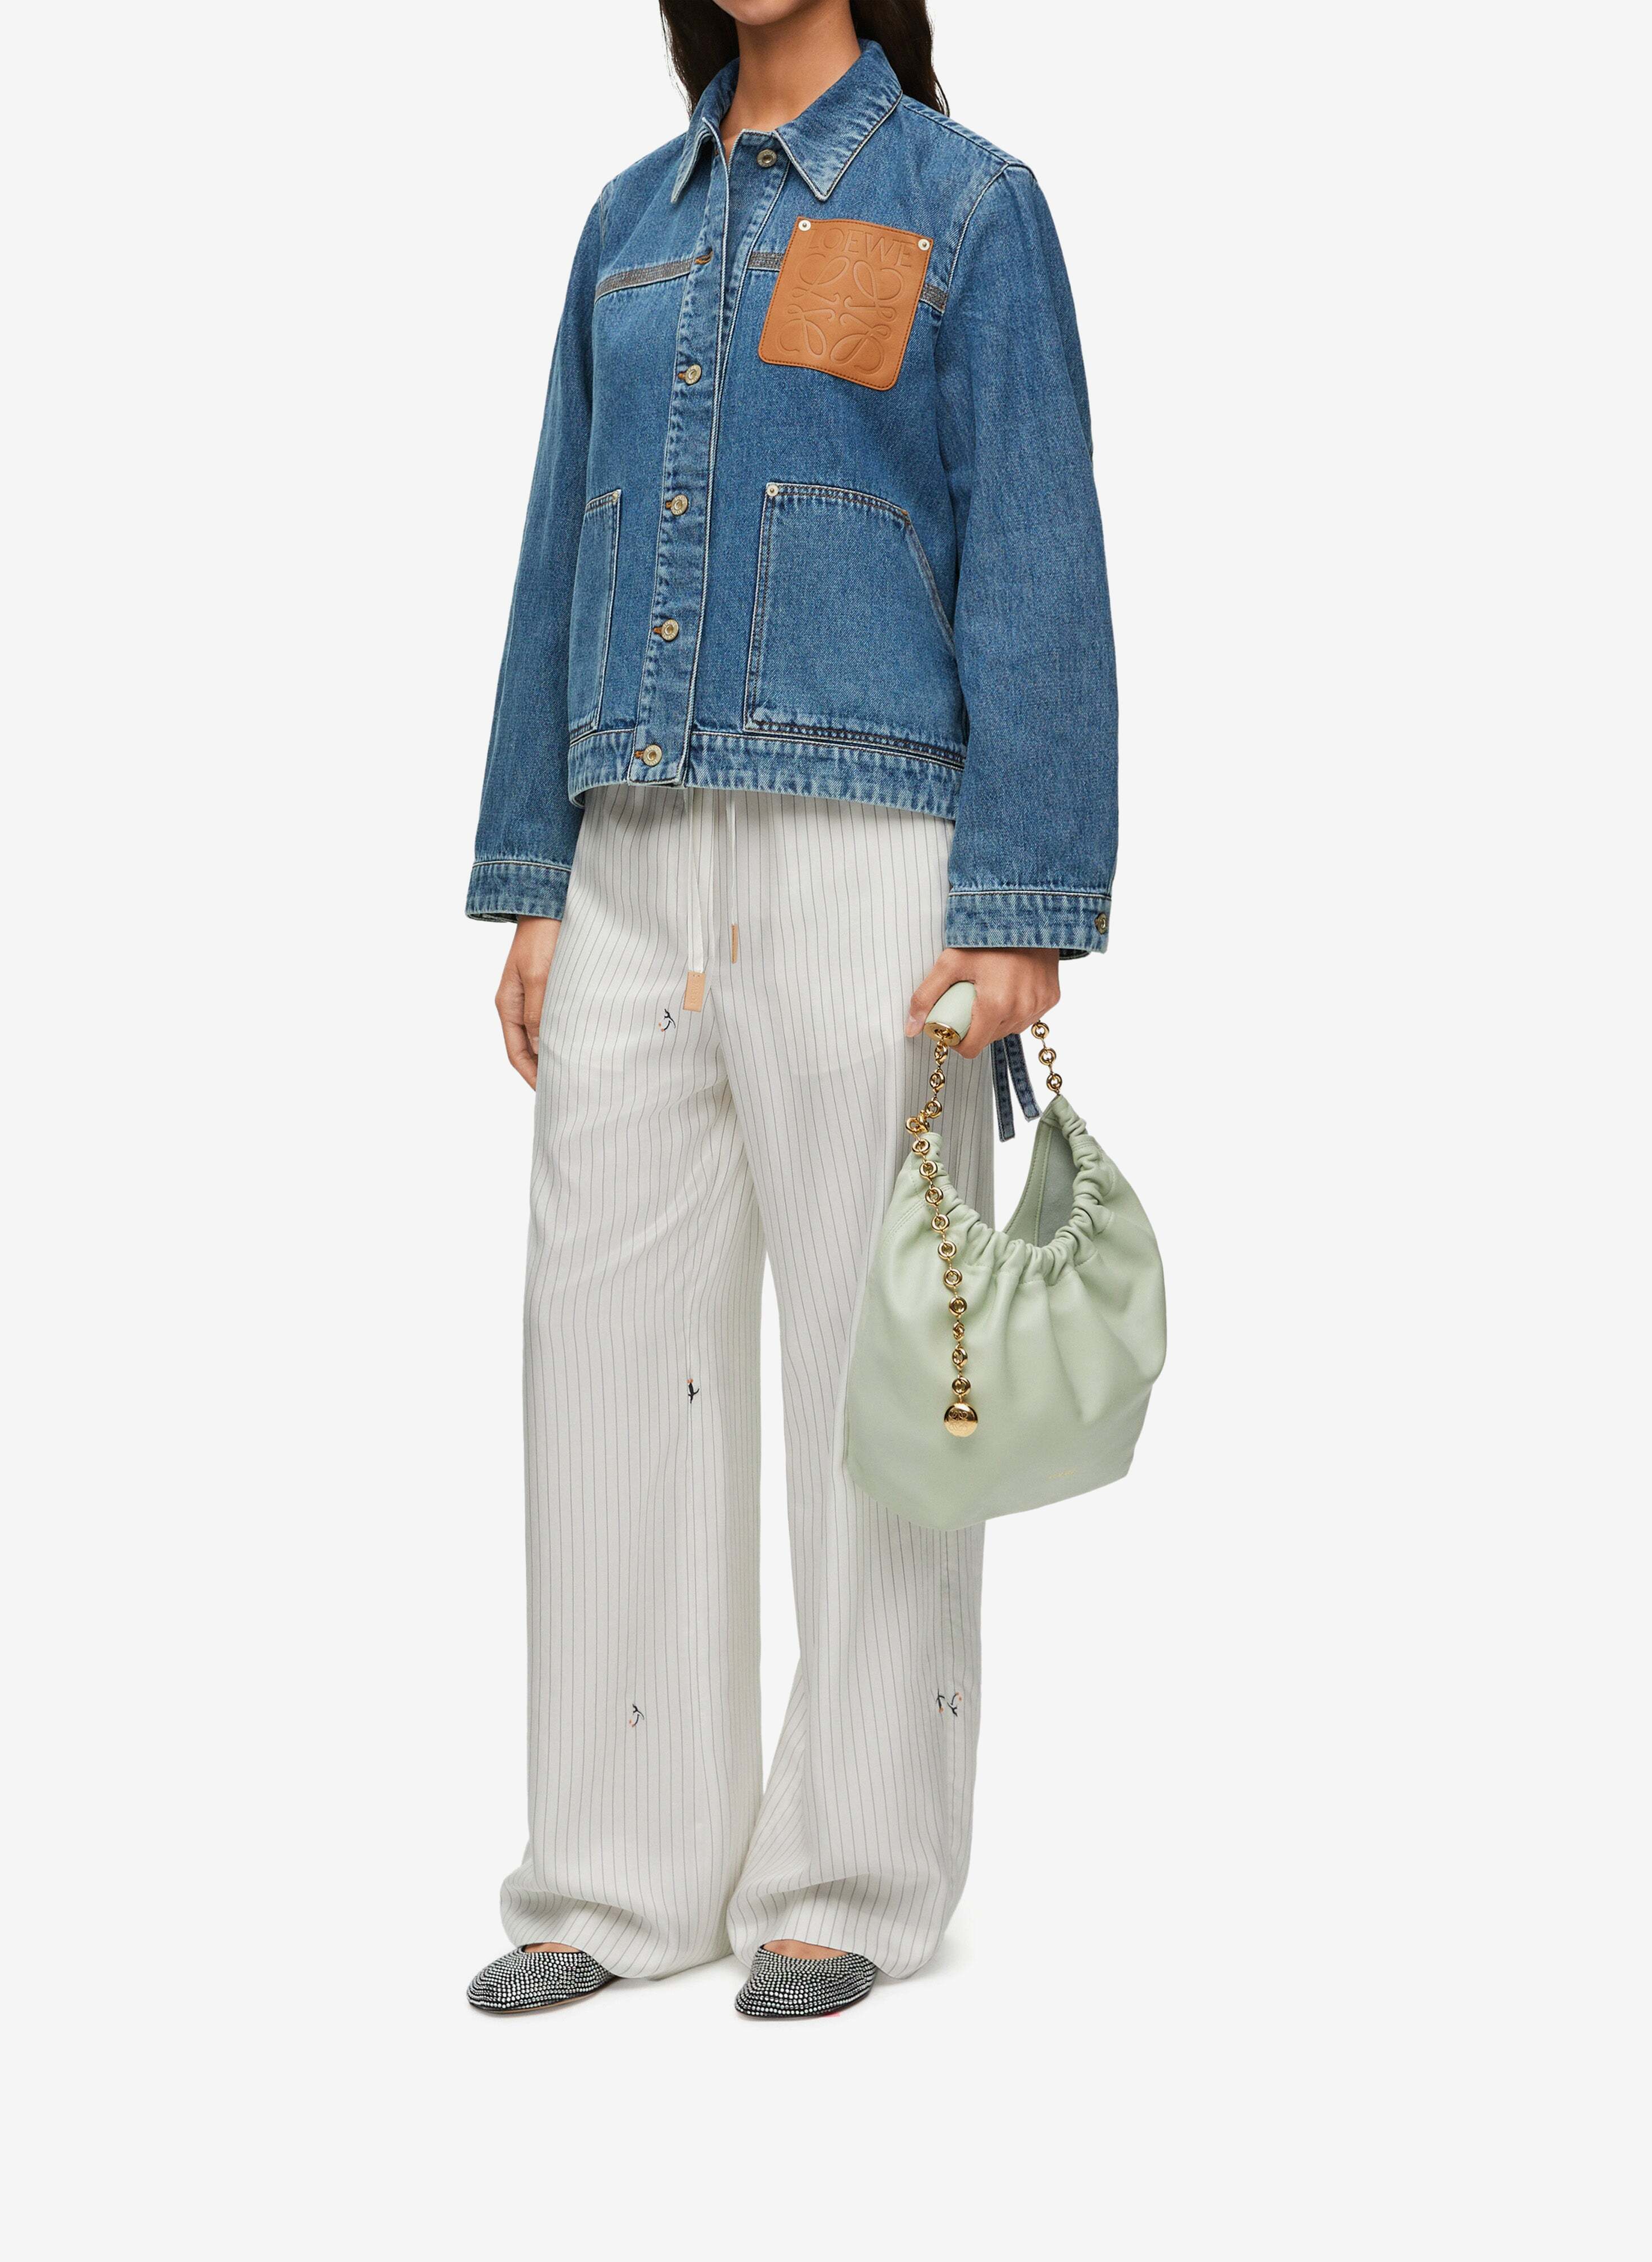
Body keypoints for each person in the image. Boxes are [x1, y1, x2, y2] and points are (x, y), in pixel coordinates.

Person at [464, 0, 1117, 2019]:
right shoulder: (625, 227)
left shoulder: (967, 206)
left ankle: (852, 1870)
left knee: (875, 1363)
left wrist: (1024, 905)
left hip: (876, 852)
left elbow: (1036, 550)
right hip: (631, 852)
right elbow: (556, 554)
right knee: (601, 1354)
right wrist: (531, 875)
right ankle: (618, 1877)